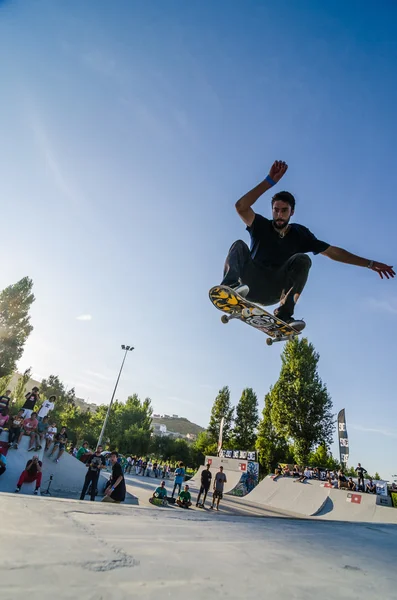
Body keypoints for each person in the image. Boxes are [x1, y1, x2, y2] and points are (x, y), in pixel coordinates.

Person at [221, 160, 394, 327]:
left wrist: (369, 264)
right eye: (276, 210)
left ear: (292, 212)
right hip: (251, 283)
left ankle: (284, 314)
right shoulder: (260, 225)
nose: (279, 215)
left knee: (303, 259)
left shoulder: (300, 234)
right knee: (238, 245)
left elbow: (333, 252)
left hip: (276, 290)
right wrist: (269, 181)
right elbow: (241, 206)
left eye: (284, 211)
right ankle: (230, 288)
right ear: (272, 210)